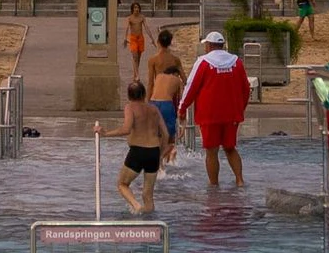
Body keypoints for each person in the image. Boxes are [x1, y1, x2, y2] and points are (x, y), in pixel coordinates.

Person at [176, 31, 252, 188]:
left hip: (209, 114)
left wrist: (182, 108)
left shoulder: (203, 62)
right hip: (232, 114)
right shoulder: (236, 62)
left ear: (209, 46)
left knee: (211, 152)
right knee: (230, 148)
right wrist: (240, 109)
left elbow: (191, 87)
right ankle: (239, 180)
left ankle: (214, 185)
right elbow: (246, 88)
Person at [94, 80, 173, 215]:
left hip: (138, 151)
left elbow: (126, 129)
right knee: (148, 196)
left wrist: (106, 133)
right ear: (144, 94)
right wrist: (161, 153)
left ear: (129, 96)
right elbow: (165, 134)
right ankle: (150, 226)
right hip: (153, 152)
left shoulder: (130, 107)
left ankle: (136, 207)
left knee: (122, 184)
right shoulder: (154, 109)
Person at [147, 30, 186, 152]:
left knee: (156, 134)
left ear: (158, 42)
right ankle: (169, 163)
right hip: (171, 98)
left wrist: (148, 101)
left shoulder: (153, 60)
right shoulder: (175, 60)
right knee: (170, 137)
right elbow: (185, 79)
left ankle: (159, 166)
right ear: (170, 43)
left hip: (156, 96)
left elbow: (150, 83)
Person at [124, 2, 148, 84]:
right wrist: (125, 38)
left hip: (140, 38)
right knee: (135, 57)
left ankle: (135, 75)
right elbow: (127, 28)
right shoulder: (130, 18)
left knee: (138, 58)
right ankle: (137, 75)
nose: (136, 9)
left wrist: (152, 38)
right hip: (133, 38)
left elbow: (146, 28)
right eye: (134, 8)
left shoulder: (142, 17)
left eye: (137, 8)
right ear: (132, 9)